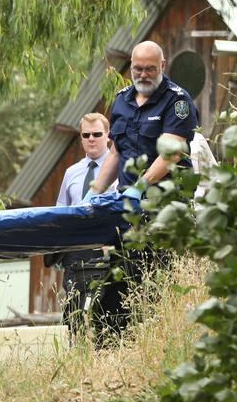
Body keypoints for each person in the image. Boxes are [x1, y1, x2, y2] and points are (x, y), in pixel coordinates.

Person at [85, 41, 199, 340]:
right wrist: (95, 190)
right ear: (131, 68)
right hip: (129, 213)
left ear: (163, 66)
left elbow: (172, 152)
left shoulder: (178, 102)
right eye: (138, 69)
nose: (144, 74)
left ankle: (153, 345)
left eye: (150, 68)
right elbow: (115, 153)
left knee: (152, 283)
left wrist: (139, 187)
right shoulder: (121, 101)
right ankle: (109, 347)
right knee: (114, 290)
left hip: (164, 209)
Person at [47, 113, 117, 338]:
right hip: (77, 256)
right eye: (86, 135)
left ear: (108, 136)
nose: (91, 139)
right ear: (81, 138)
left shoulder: (121, 168)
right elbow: (61, 215)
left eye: (97, 134)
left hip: (110, 251)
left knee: (107, 317)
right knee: (74, 318)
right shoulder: (72, 172)